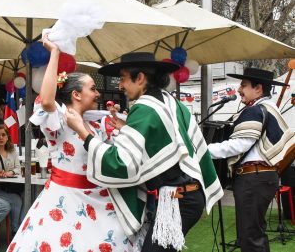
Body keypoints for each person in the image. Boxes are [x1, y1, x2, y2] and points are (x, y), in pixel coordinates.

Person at [65, 52, 224, 252]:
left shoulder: (143, 108)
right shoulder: (169, 101)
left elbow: (121, 163)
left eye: (122, 79)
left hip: (177, 201)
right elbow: (166, 140)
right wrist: (126, 128)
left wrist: (82, 131)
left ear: (140, 78)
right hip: (187, 195)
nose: (120, 86)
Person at [8, 36, 131, 252]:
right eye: (92, 88)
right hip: (65, 199)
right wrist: (55, 52)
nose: (97, 93)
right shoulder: (59, 119)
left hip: (99, 197)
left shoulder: (95, 123)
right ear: (76, 94)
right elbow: (46, 101)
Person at [208, 68, 295, 252]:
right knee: (254, 233)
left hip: (254, 179)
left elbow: (238, 146)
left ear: (258, 88)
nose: (240, 89)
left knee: (250, 237)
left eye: (244, 85)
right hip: (262, 178)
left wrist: (203, 151)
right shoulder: (269, 109)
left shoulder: (256, 110)